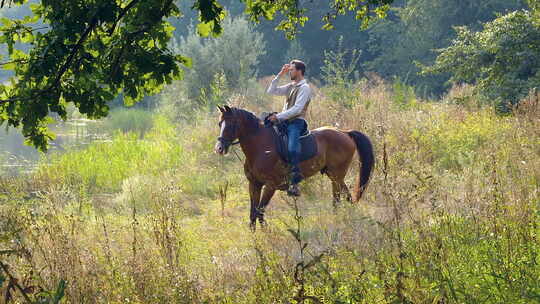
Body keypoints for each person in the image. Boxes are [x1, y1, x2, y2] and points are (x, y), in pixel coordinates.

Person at [266, 60, 312, 196]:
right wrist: (280, 74)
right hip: (284, 120)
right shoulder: (291, 85)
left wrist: (278, 117)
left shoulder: (305, 88)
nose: (289, 72)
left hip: (296, 122)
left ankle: (295, 181)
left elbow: (297, 109)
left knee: (292, 148)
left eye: (291, 70)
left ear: (299, 71)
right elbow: (271, 90)